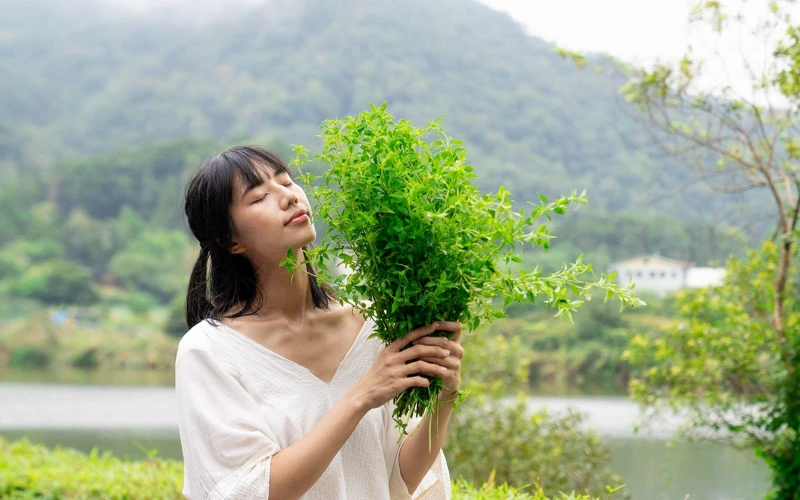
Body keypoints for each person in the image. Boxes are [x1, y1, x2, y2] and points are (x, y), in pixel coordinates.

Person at [175, 145, 465, 499]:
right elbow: (250, 491)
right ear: (231, 241)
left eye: (287, 182)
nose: (288, 197)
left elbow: (400, 477)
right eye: (259, 197)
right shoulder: (210, 351)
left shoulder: (373, 324)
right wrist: (360, 397)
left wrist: (445, 394)